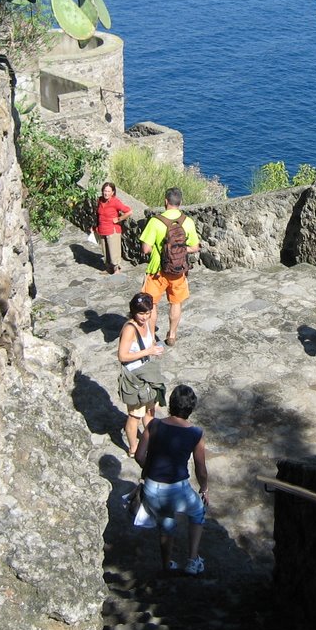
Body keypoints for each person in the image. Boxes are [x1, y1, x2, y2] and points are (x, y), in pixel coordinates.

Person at [134, 384, 209, 576]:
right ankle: (193, 560)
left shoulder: (154, 425)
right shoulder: (195, 433)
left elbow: (140, 456)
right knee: (198, 512)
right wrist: (204, 489)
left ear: (171, 404)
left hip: (152, 487)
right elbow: (200, 468)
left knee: (166, 522)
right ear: (191, 408)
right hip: (178, 489)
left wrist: (151, 469)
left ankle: (167, 565)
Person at [139, 187, 200, 347]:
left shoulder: (155, 221)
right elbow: (195, 247)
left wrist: (163, 250)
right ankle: (172, 335)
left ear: (166, 201)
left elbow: (146, 248)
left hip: (157, 270)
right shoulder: (187, 221)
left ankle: (151, 338)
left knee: (151, 304)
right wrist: (179, 250)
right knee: (176, 303)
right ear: (180, 203)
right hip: (178, 270)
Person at [117, 292, 166, 456]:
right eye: (141, 313)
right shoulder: (130, 329)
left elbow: (149, 342)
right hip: (135, 378)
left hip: (147, 375)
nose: (144, 317)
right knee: (135, 415)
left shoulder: (147, 323)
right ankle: (133, 448)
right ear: (133, 312)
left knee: (150, 410)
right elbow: (122, 356)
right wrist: (148, 351)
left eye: (147, 313)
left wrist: (154, 350)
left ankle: (150, 439)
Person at [96, 181, 132, 274]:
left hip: (112, 230)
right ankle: (108, 268)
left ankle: (116, 269)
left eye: (108, 191)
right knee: (105, 250)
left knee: (113, 251)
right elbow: (97, 214)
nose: (106, 193)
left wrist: (119, 219)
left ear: (112, 192)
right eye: (105, 190)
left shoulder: (115, 202)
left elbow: (128, 211)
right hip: (102, 229)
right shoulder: (100, 200)